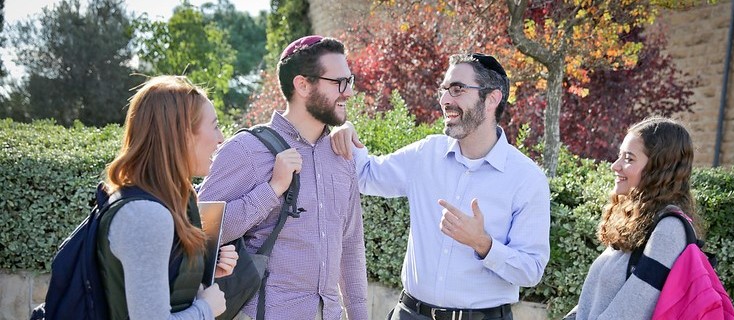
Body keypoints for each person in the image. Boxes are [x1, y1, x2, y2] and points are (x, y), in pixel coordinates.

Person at [331, 53, 551, 320]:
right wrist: (345, 130)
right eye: (444, 90)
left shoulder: (527, 179)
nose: (445, 100)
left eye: (457, 89)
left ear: (492, 98)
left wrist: (483, 244)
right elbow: (365, 175)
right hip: (410, 314)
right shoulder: (425, 154)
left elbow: (531, 270)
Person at [197, 35, 368, 320]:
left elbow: (350, 244)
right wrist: (271, 190)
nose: (348, 93)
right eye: (339, 83)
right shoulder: (246, 150)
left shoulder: (341, 154)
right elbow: (201, 232)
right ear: (302, 85)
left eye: (350, 81)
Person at [100, 75, 238, 319]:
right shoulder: (146, 215)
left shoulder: (166, 200)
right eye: (215, 125)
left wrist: (198, 268)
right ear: (183, 134)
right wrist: (207, 309)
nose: (221, 138)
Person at [564, 117, 699, 319]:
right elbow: (591, 303)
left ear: (659, 167)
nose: (615, 166)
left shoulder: (669, 230)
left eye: (629, 159)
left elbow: (629, 312)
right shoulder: (639, 222)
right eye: (620, 156)